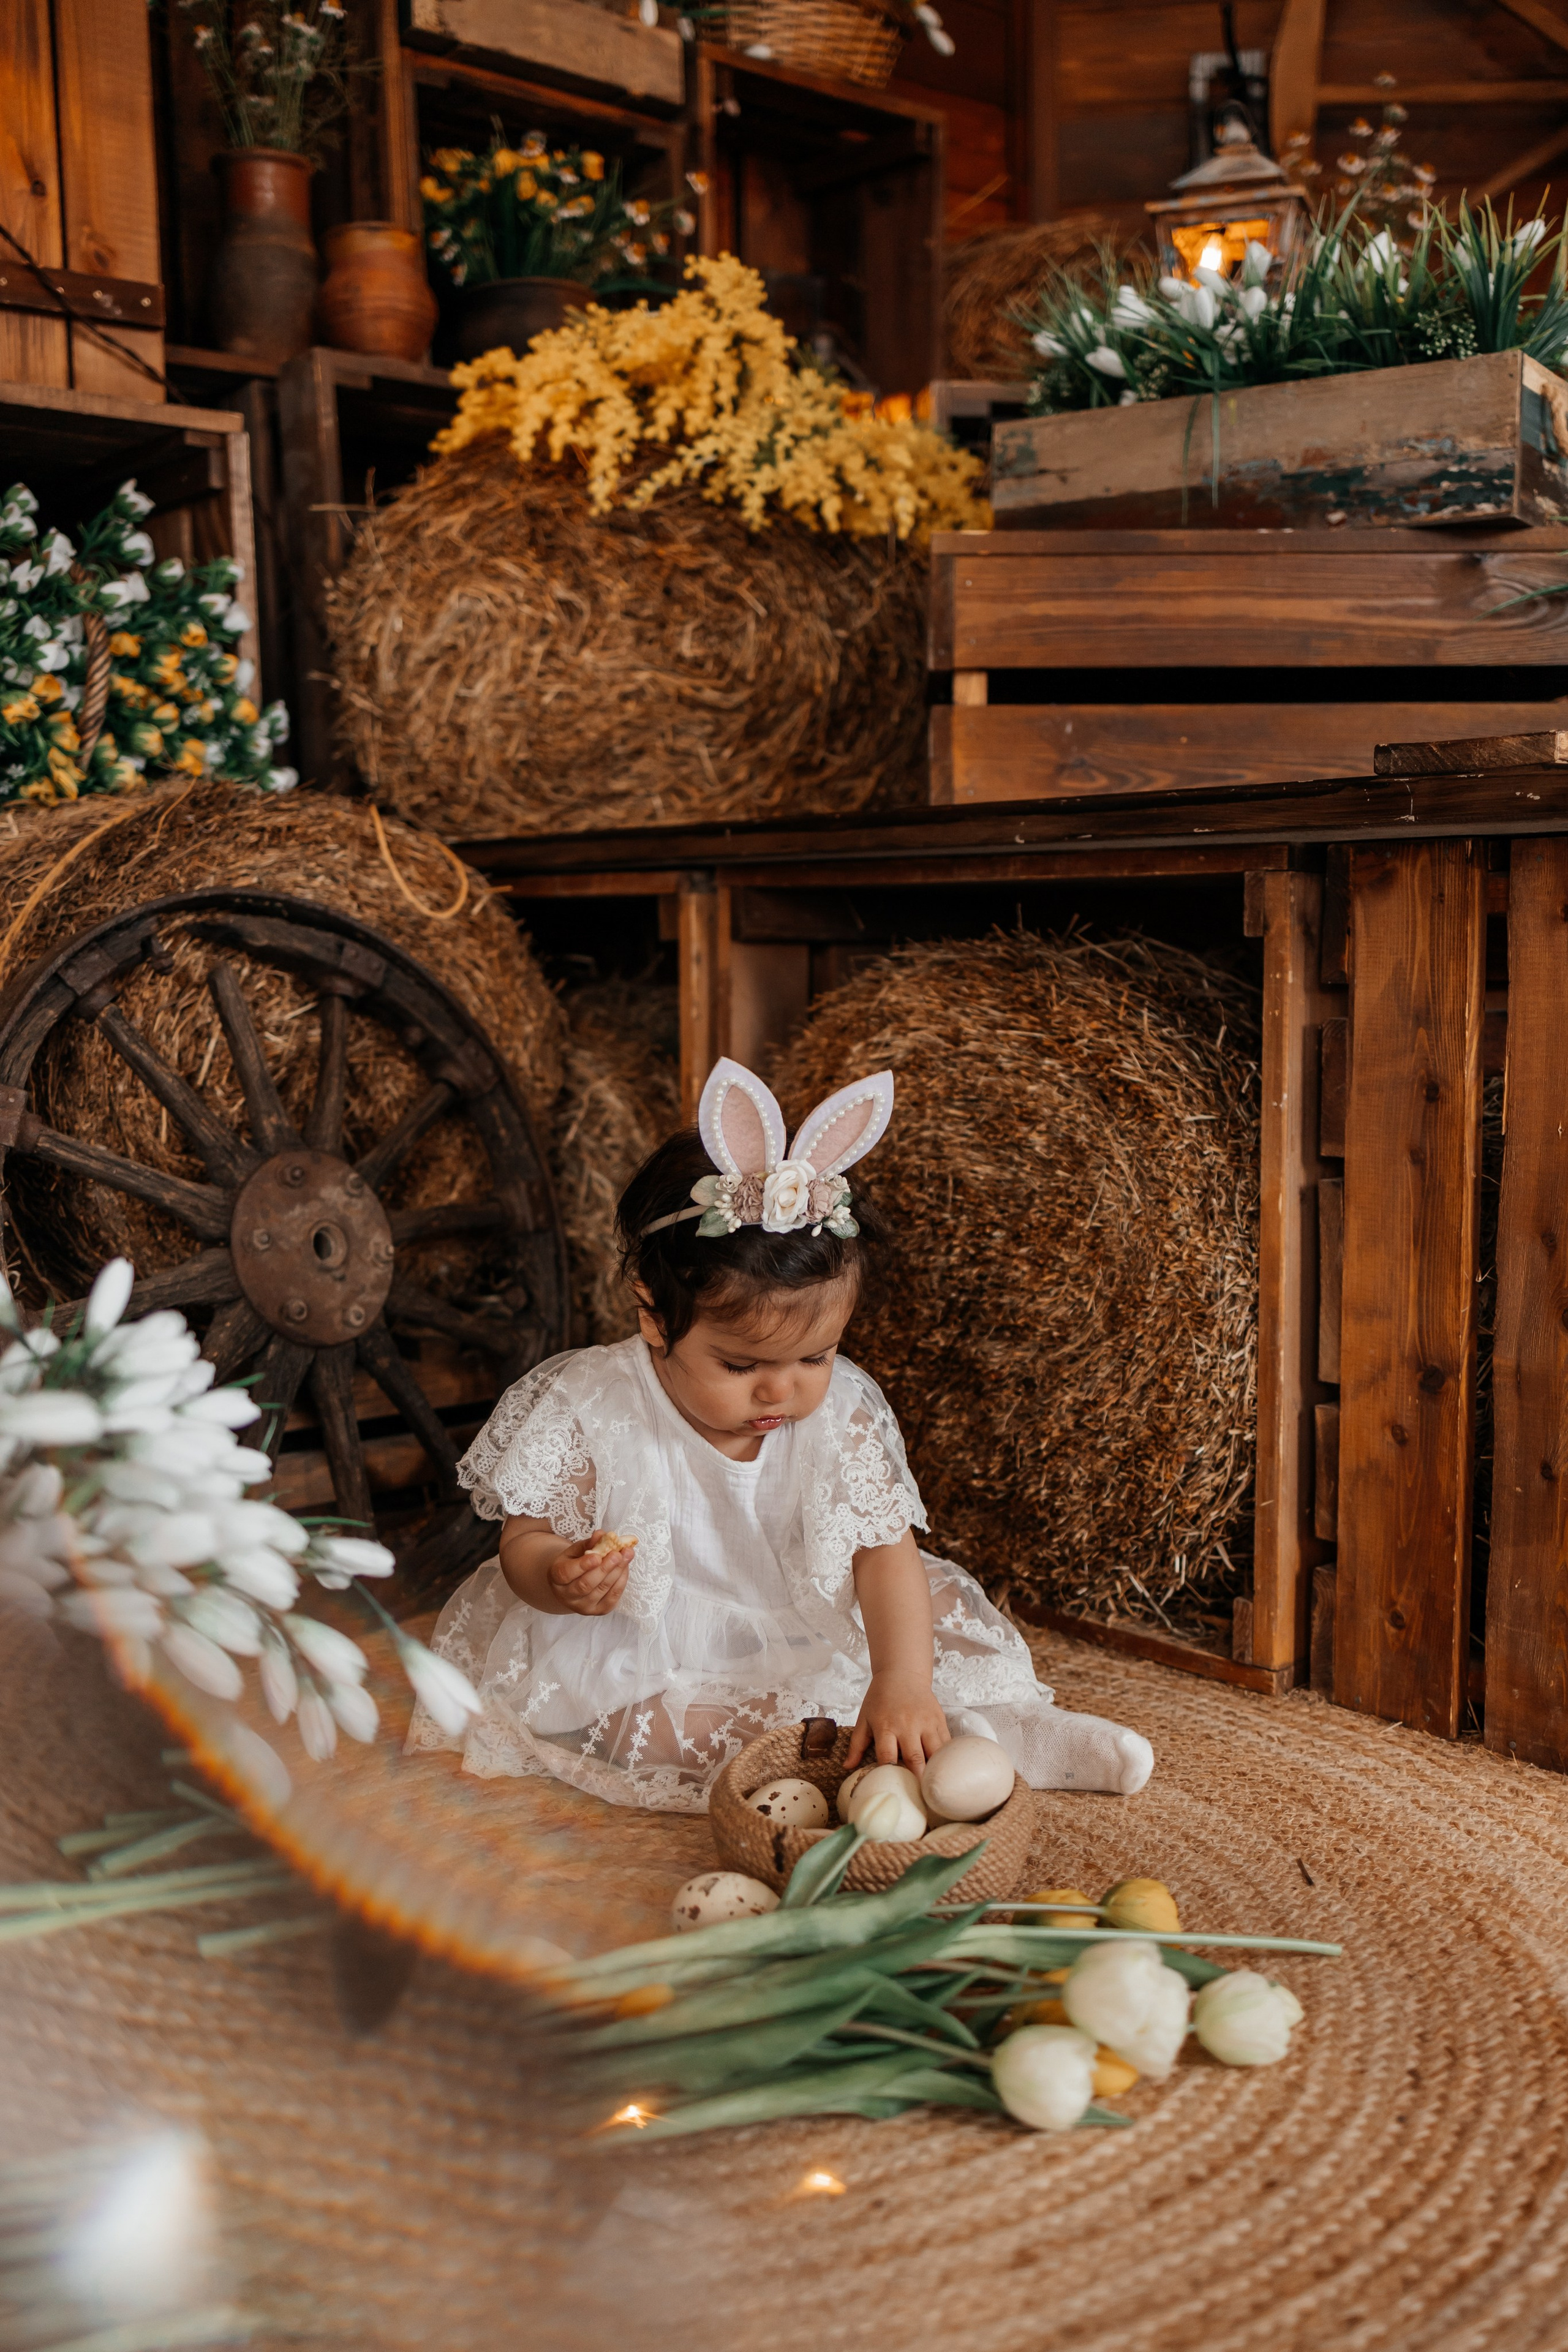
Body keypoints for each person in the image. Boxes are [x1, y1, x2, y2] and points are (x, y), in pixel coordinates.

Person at [407, 1057, 1154, 1812]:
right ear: (652, 1314)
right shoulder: (593, 1403)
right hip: (654, 1638)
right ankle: (875, 1752)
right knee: (627, 1725)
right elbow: (523, 1545)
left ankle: (1008, 1730)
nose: (781, 1389)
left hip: (809, 1612)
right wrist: (560, 1575)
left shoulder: (839, 1410)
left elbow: (882, 1552)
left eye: (815, 1357)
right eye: (739, 1364)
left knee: (925, 1635)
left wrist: (902, 1680)